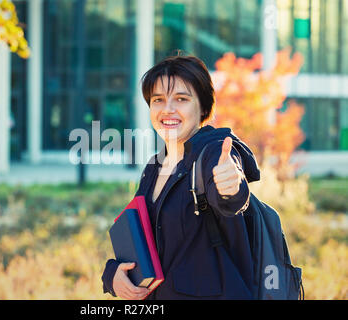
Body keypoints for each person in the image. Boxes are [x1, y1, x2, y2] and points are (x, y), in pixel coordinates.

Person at [101, 55, 261, 300]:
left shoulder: (214, 151)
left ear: (204, 108)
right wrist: (113, 275)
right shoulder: (154, 166)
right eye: (158, 100)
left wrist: (230, 185)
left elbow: (231, 199)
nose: (167, 109)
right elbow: (138, 240)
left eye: (181, 99)